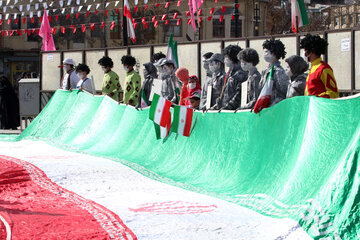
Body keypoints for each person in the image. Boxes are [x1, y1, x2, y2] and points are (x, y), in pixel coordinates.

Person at [300, 34, 339, 98]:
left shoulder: (324, 69)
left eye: (305, 51)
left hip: (320, 107)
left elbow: (334, 93)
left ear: (311, 52)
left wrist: (317, 98)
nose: (304, 54)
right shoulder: (312, 68)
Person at [212, 45, 247, 110]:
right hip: (226, 109)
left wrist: (228, 107)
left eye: (226, 57)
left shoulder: (240, 74)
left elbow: (238, 95)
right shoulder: (229, 73)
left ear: (232, 58)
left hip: (233, 111)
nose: (224, 60)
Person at [260, 39, 289, 106]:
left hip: (274, 108)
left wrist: (273, 105)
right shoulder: (265, 70)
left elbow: (283, 93)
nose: (265, 54)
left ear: (274, 53)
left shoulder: (279, 71)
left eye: (267, 52)